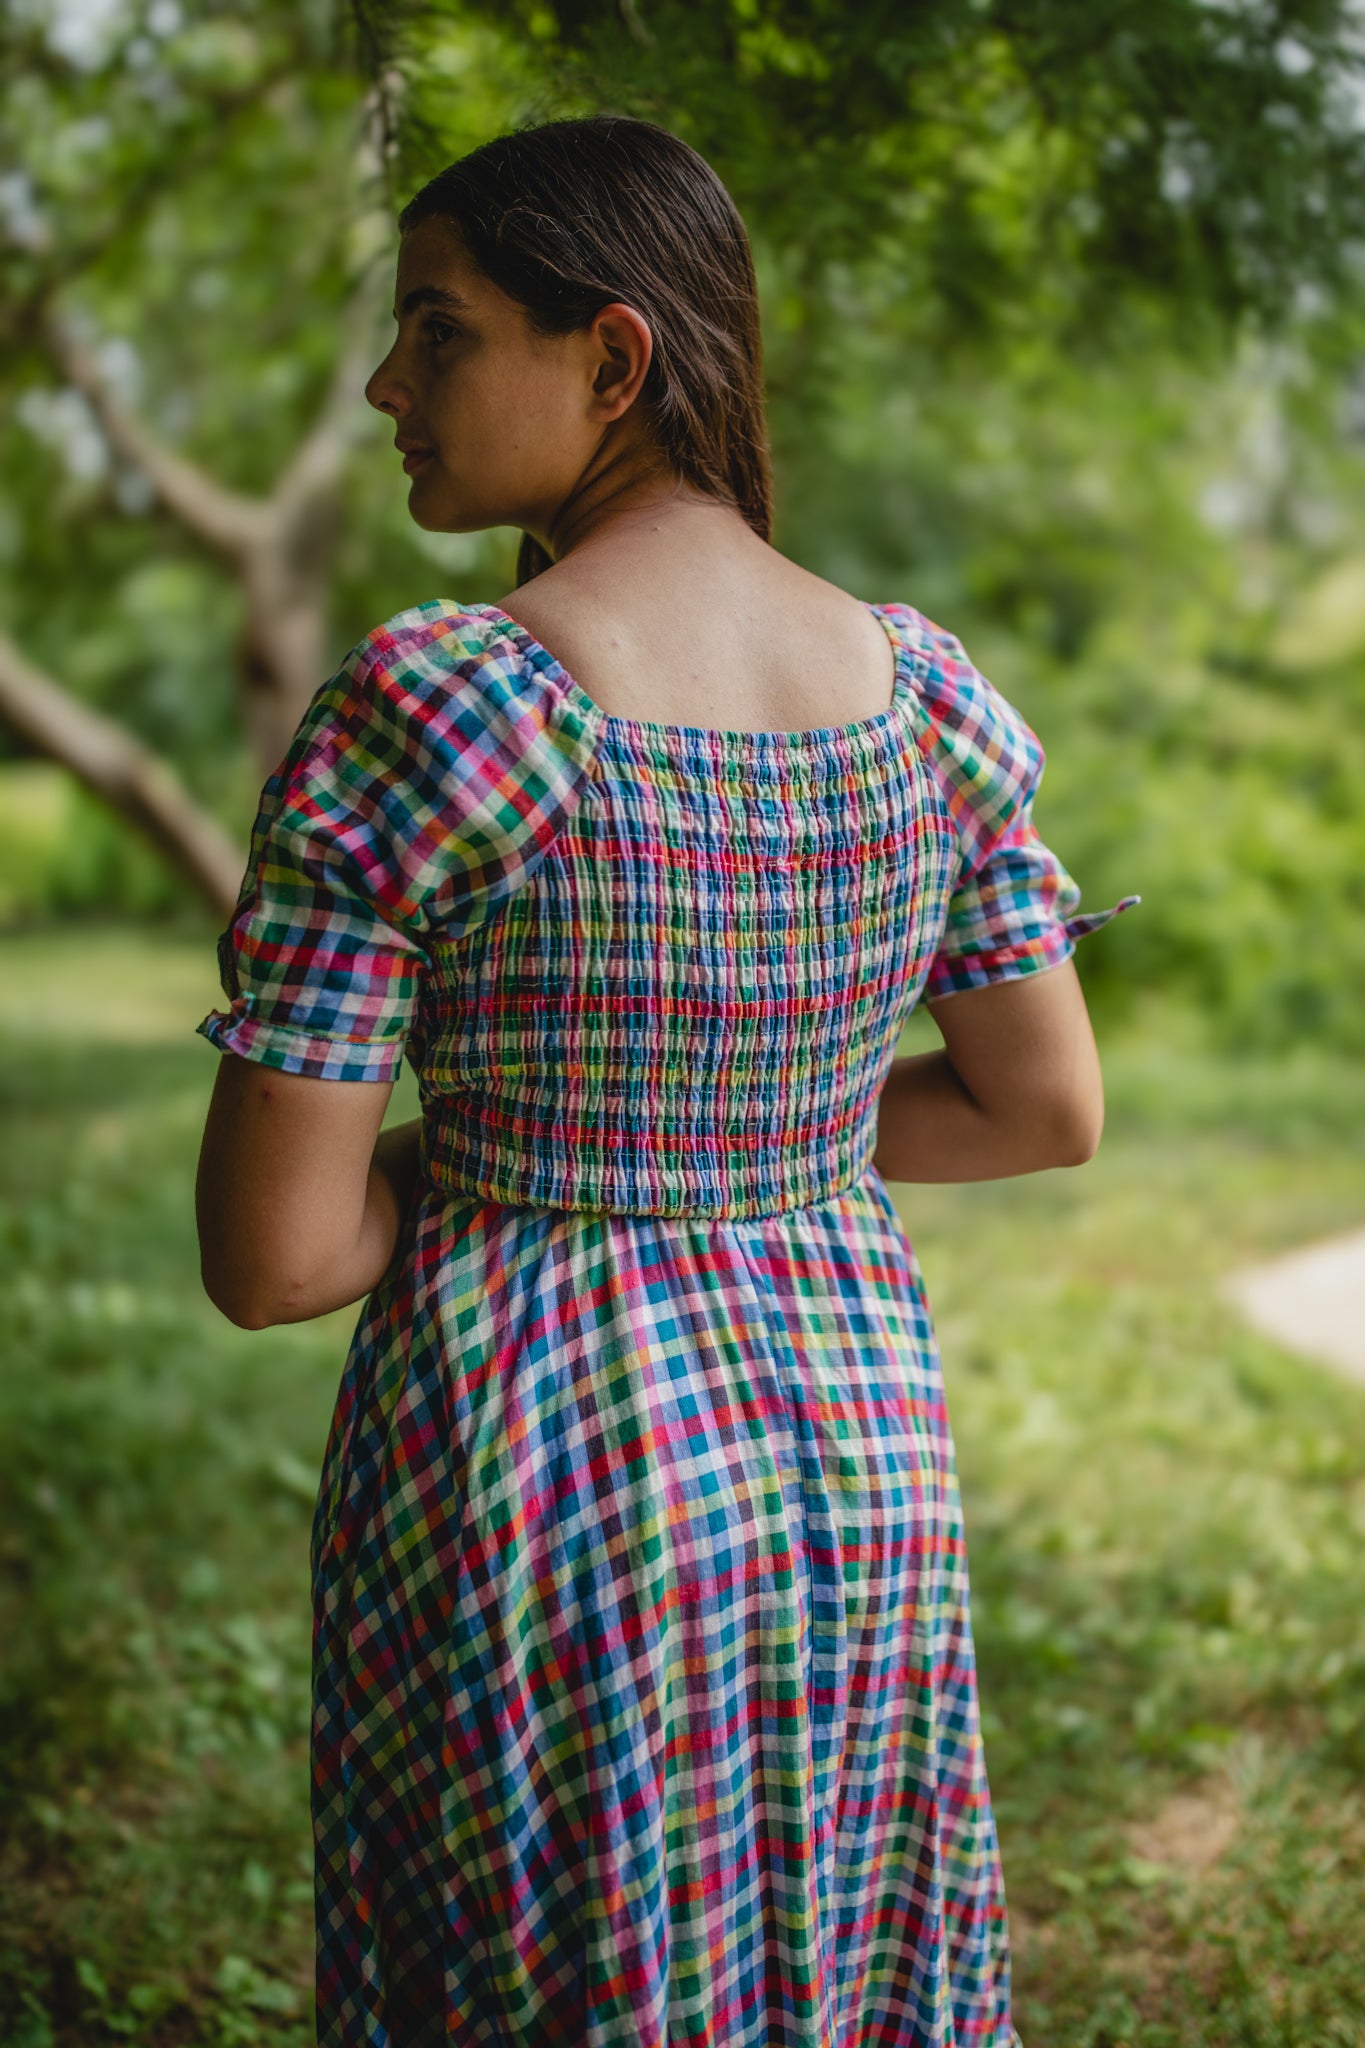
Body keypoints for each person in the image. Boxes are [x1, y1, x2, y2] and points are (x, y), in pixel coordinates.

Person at [194, 113, 1137, 2048]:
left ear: (612, 359)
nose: (387, 384)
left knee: (554, 1976)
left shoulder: (453, 709)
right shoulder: (923, 700)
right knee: (822, 1959)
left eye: (437, 330)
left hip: (541, 1475)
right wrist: (740, 1132)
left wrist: (525, 1148)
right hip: (849, 1451)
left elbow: (279, 1258)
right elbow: (1041, 1108)